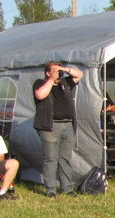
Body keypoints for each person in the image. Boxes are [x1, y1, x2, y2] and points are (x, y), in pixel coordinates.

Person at [34, 61, 83, 197]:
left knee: (65, 158)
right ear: (47, 72)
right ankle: (51, 189)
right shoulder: (40, 83)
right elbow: (40, 95)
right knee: (50, 158)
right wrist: (51, 80)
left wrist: (64, 69)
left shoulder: (65, 83)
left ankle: (67, 188)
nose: (58, 73)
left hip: (68, 125)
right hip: (50, 126)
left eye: (59, 71)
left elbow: (79, 74)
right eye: (54, 70)